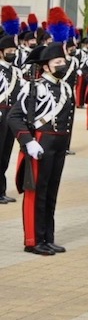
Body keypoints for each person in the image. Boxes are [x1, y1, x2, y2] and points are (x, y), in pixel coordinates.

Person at [8, 8, 76, 255]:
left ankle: (47, 237)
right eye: (58, 63)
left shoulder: (65, 89)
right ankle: (33, 240)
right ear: (46, 66)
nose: (62, 65)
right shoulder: (34, 88)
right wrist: (28, 142)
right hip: (40, 143)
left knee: (51, 193)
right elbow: (14, 117)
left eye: (63, 62)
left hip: (58, 145)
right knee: (36, 193)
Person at [0, 27, 23, 205]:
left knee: (5, 153)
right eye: (9, 51)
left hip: (11, 115)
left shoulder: (16, 72)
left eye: (14, 51)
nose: (12, 53)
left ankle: (1, 190)